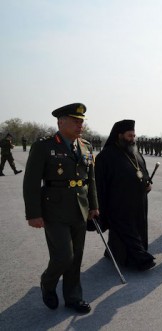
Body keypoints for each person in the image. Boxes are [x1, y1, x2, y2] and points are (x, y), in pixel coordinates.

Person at [23, 103, 99, 314]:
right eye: (75, 121)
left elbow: (90, 179)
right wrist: (34, 214)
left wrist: (93, 205)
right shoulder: (44, 146)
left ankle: (73, 297)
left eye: (81, 121)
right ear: (60, 122)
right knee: (64, 256)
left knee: (77, 257)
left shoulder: (85, 146)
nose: (79, 125)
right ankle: (48, 283)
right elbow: (30, 182)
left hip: (80, 209)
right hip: (54, 210)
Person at [94, 120, 156, 271]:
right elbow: (99, 185)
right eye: (130, 136)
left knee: (138, 228)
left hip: (140, 201)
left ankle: (113, 251)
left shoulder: (135, 153)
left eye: (134, 135)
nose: (133, 139)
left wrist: (147, 183)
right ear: (119, 135)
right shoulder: (106, 156)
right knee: (127, 230)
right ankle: (140, 259)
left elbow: (143, 172)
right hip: (118, 202)